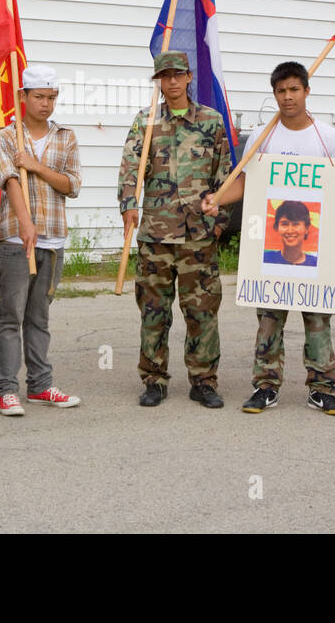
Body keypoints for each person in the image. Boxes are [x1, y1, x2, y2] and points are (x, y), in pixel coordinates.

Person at [203, 60, 335, 416]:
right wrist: (217, 199)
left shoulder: (327, 137)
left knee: (317, 318)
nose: (288, 97)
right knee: (269, 317)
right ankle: (265, 386)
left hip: (312, 245)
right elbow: (246, 181)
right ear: (275, 95)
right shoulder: (263, 136)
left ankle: (322, 388)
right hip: (271, 246)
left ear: (306, 91)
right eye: (281, 91)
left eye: (294, 89)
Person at [119, 51, 232, 409]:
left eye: (177, 75)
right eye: (164, 76)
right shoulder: (146, 121)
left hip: (198, 235)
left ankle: (203, 381)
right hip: (155, 233)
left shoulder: (211, 122)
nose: (171, 82)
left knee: (202, 311)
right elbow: (129, 168)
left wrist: (219, 224)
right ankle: (153, 379)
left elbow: (225, 176)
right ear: (159, 81)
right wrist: (128, 207)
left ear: (188, 78)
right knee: (154, 311)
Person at [0, 65, 83, 416]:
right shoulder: (7, 137)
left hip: (54, 239)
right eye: (39, 97)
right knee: (11, 314)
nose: (46, 104)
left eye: (51, 97)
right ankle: (7, 389)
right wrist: (26, 223)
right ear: (23, 97)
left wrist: (38, 166)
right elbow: (10, 179)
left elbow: (72, 185)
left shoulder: (66, 136)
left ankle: (40, 386)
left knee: (39, 316)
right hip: (17, 237)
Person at [263, 200, 319, 268]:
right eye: (285, 224)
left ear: (306, 228)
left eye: (296, 224)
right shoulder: (265, 259)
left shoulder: (315, 263)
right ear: (277, 227)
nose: (290, 231)